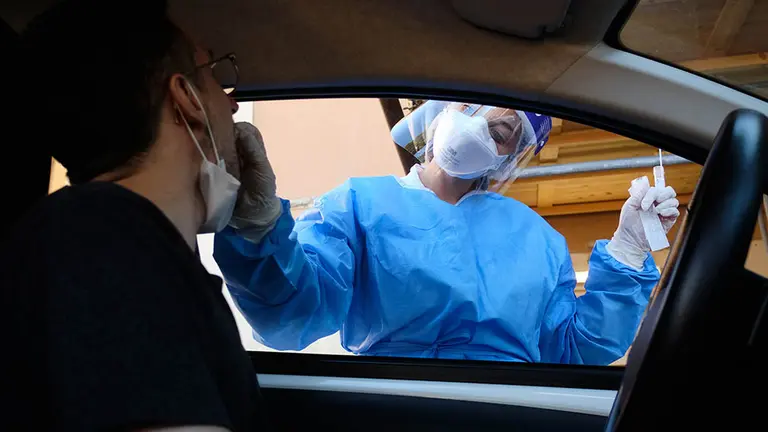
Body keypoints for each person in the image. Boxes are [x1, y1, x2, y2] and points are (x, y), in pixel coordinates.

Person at [215, 105, 679, 365]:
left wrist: (628, 250)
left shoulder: (537, 239)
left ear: (508, 159)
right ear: (436, 115)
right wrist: (257, 230)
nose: (478, 129)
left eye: (500, 133)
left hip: (506, 410)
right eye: (470, 110)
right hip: (395, 407)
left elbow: (576, 349)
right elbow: (291, 316)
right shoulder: (358, 204)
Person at [0, 1, 264, 430]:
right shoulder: (101, 243)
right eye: (214, 73)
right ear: (187, 98)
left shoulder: (122, 242)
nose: (232, 106)